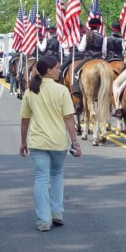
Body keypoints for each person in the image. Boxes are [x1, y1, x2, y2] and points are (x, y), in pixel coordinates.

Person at [20, 56, 82, 232]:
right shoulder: (62, 90)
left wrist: (22, 142)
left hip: (38, 142)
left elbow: (25, 120)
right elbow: (69, 118)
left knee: (41, 179)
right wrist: (75, 142)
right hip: (58, 142)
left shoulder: (30, 91)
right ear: (48, 70)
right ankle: (57, 212)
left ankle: (43, 220)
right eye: (57, 68)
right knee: (56, 175)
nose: (59, 70)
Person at [60, 17, 106, 97]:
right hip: (99, 58)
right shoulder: (103, 37)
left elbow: (81, 49)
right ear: (99, 27)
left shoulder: (86, 36)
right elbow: (104, 51)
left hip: (88, 58)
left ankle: (76, 89)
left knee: (75, 71)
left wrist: (77, 44)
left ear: (90, 26)